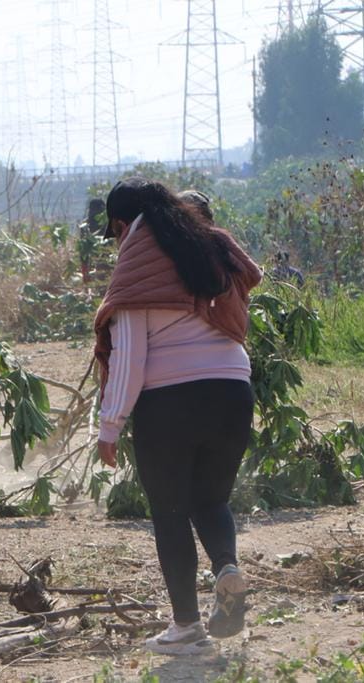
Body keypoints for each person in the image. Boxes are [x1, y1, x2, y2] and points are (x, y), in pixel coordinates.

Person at [93, 177, 262, 655]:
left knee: (169, 513)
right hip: (233, 391)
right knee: (210, 500)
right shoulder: (206, 246)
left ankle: (186, 628)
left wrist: (111, 426)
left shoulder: (136, 265)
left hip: (171, 403)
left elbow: (130, 359)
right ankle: (227, 567)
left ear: (122, 225)